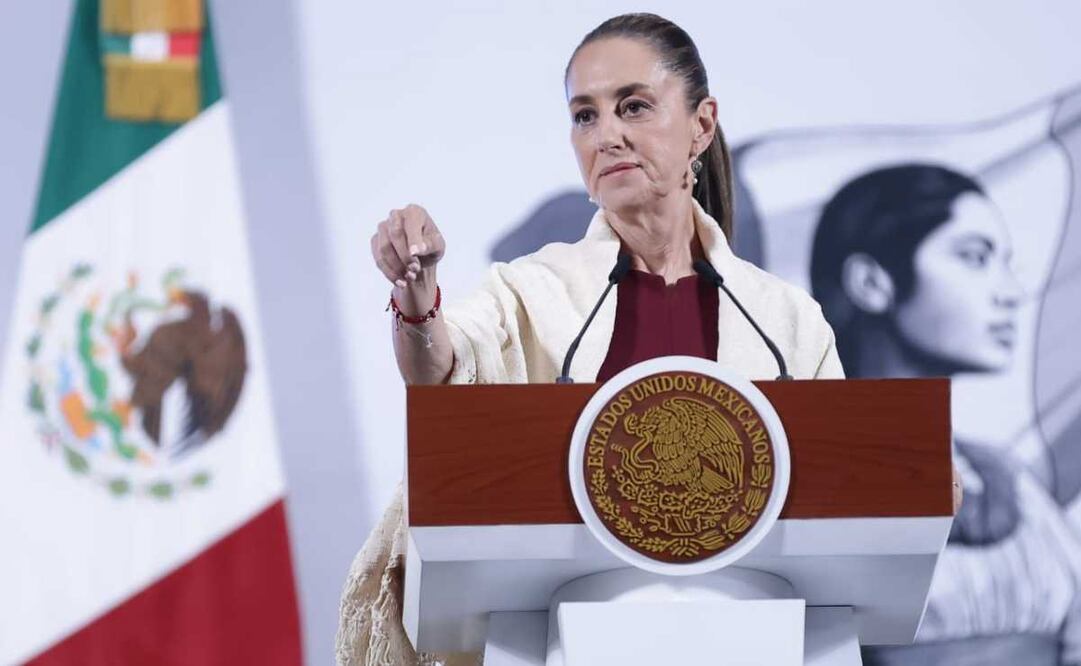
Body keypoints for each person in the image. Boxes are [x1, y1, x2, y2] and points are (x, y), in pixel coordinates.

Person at [338, 14, 842, 665]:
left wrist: (920, 486)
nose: (606, 136)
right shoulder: (531, 289)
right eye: (584, 116)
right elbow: (441, 375)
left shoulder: (784, 320)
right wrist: (415, 293)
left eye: (632, 106)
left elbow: (846, 484)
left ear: (702, 124)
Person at [811, 164, 1081, 665]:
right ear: (872, 282)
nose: (1010, 292)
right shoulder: (797, 467)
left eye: (1006, 262)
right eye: (974, 258)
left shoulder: (1007, 480)